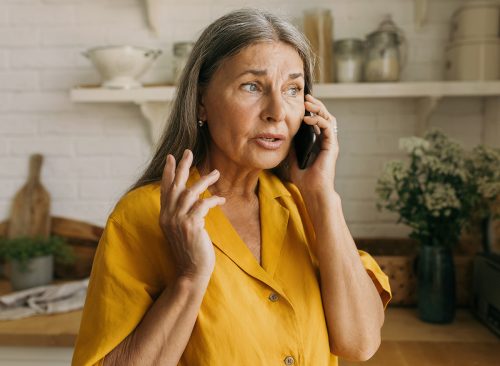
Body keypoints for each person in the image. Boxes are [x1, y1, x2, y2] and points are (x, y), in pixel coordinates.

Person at [72, 8, 391, 366]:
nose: (276, 111)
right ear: (202, 102)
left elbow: (360, 343)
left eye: (292, 89)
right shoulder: (144, 215)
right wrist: (189, 278)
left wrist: (322, 196)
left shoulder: (307, 206)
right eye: (252, 86)